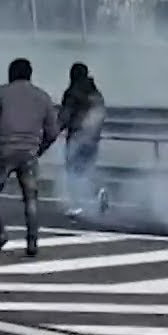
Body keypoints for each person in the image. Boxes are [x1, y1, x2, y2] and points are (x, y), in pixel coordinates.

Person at [0, 58, 60, 256]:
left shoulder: (0, 92)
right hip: (29, 154)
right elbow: (53, 131)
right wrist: (40, 148)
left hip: (4, 151)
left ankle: (0, 231)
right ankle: (32, 241)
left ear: (11, 74)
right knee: (31, 198)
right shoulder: (43, 97)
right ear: (30, 75)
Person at [57, 62, 109, 219]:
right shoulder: (95, 93)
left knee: (73, 171)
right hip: (93, 138)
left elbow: (65, 116)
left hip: (77, 136)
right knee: (87, 170)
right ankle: (99, 190)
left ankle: (76, 205)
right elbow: (100, 114)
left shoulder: (72, 92)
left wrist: (55, 130)